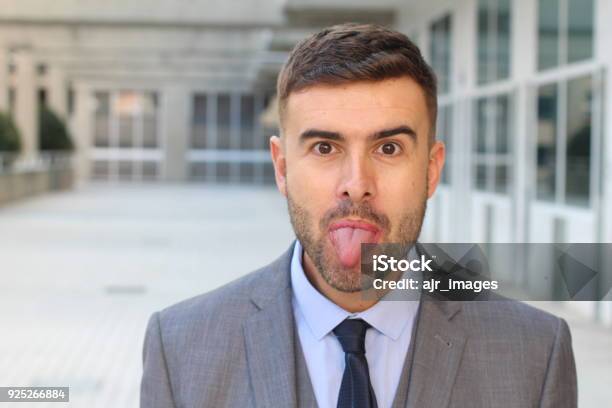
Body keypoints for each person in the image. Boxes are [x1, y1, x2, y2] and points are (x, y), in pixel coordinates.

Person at [140, 23, 577, 408]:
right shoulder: (180, 349)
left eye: (388, 148)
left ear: (431, 169)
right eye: (325, 148)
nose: (356, 183)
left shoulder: (535, 354)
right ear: (282, 167)